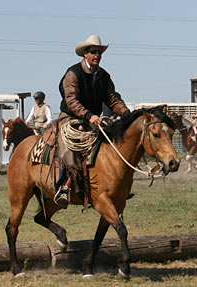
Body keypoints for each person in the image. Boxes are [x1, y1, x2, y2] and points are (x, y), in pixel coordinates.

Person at [54, 35, 130, 208]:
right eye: (93, 52)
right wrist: (89, 116)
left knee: (113, 144)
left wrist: (127, 114)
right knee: (69, 149)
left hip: (93, 120)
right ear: (85, 54)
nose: (97, 55)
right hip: (71, 118)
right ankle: (64, 187)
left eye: (99, 52)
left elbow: (112, 98)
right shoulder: (73, 74)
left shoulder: (103, 76)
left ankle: (113, 186)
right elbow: (71, 101)